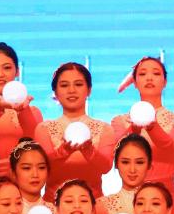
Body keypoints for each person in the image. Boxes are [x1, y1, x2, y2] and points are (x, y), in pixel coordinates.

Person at [110, 57, 174, 214]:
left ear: (165, 82)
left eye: (156, 73)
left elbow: (173, 150)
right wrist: (134, 131)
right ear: (135, 83)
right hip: (132, 201)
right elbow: (115, 155)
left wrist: (152, 127)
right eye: (142, 74)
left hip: (167, 200)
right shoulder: (120, 121)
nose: (149, 78)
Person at [34, 62, 115, 201]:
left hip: (93, 205)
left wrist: (89, 151)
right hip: (53, 207)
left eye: (78, 84)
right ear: (55, 92)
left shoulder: (104, 129)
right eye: (64, 85)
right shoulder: (44, 129)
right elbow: (40, 167)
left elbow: (106, 167)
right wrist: (61, 153)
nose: (71, 90)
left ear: (89, 90)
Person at [0, 42, 43, 178]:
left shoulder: (32, 111)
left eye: (7, 68)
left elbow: (35, 148)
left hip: (23, 185)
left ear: (17, 72)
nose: (0, 74)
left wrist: (23, 111)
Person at [95, 134, 154, 214]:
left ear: (149, 164)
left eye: (139, 162)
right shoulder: (101, 206)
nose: (132, 170)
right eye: (125, 162)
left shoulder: (161, 204)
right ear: (116, 164)